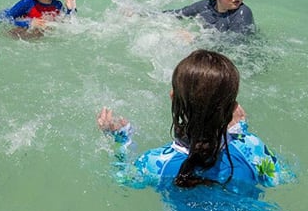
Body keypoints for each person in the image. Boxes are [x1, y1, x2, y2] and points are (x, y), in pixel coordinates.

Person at [97, 49, 288, 190]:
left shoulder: (156, 163)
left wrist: (122, 140)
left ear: (173, 98)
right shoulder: (253, 148)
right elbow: (281, 178)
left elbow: (122, 179)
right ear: (232, 107)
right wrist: (241, 133)